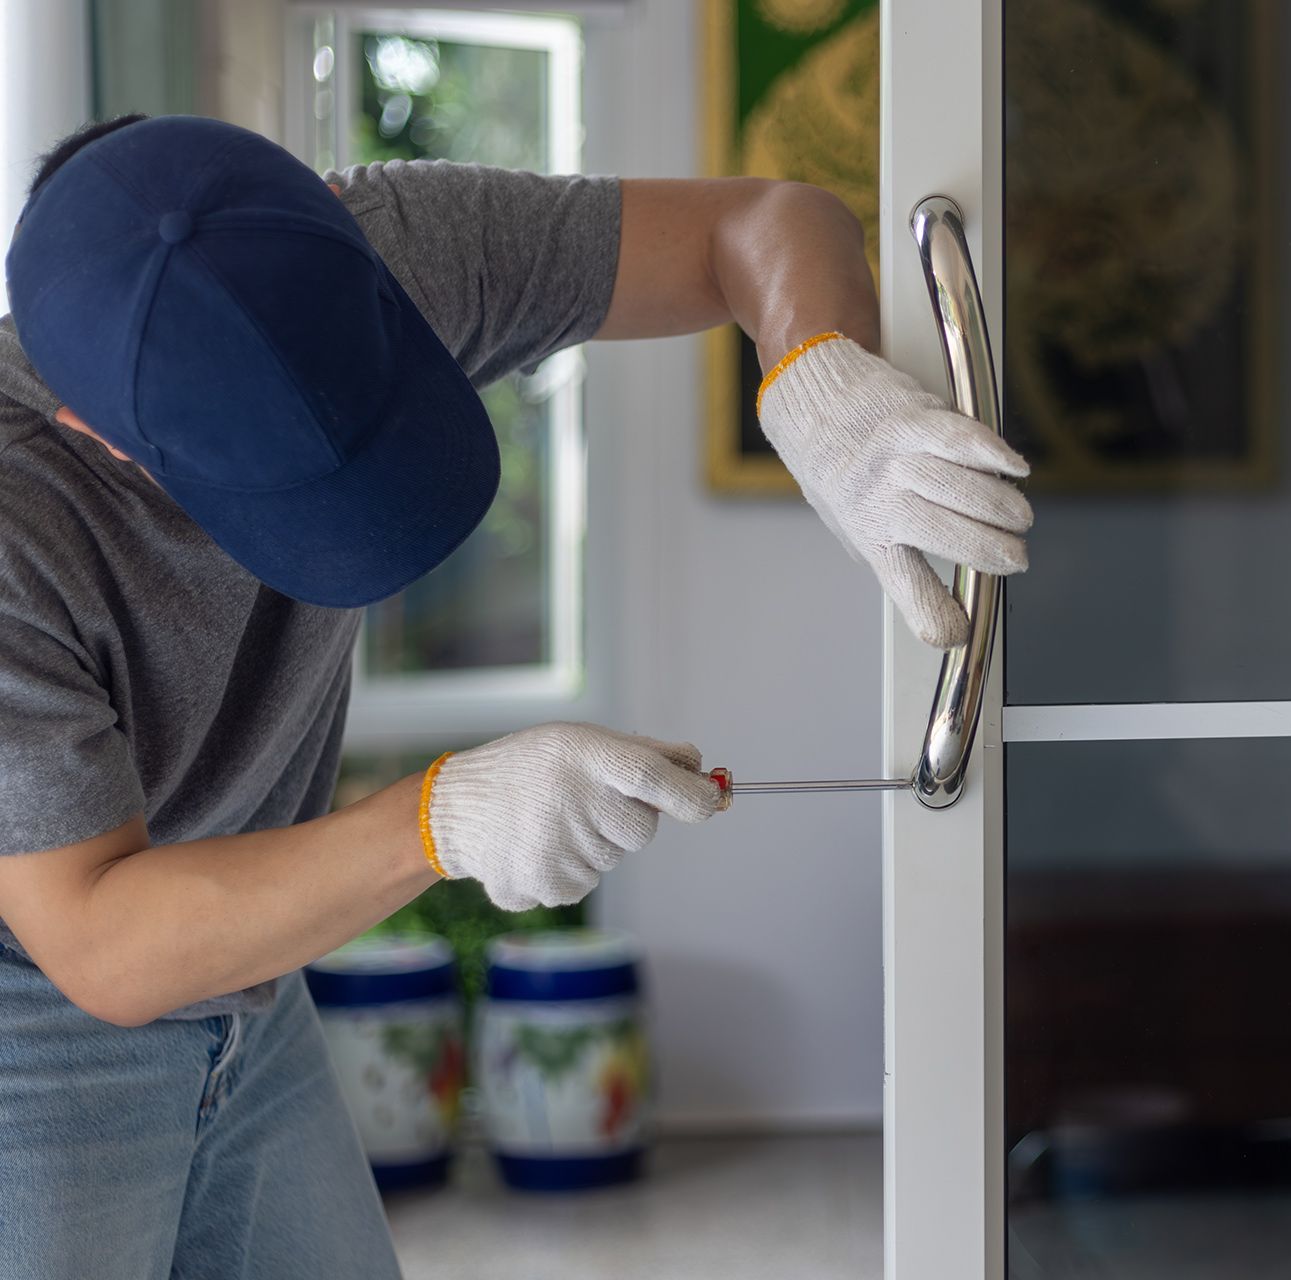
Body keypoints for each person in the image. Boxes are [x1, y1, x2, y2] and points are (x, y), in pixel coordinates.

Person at [0, 114, 1030, 1278]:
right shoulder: (13, 519)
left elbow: (764, 221)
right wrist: (437, 819)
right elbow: (100, 942)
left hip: (251, 987)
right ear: (92, 426)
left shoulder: (374, 243)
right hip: (36, 1022)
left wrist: (818, 376)